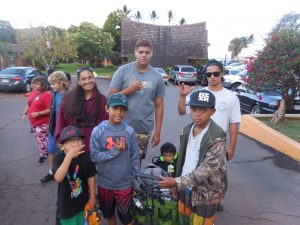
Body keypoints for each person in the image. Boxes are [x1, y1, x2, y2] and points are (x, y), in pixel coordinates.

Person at [158, 89, 227, 225]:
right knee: (183, 219)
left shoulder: (217, 137)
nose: (197, 114)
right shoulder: (187, 130)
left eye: (203, 110)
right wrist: (177, 182)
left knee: (200, 222)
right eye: (194, 109)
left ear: (212, 111)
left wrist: (176, 182)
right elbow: (183, 160)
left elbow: (206, 170)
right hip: (185, 186)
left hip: (205, 193)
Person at [109, 39, 165, 160]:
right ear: (135, 53)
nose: (144, 55)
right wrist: (130, 89)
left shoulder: (157, 77)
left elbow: (159, 106)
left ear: (151, 54)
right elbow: (111, 98)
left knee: (136, 161)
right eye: (140, 52)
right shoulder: (123, 71)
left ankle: (133, 179)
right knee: (116, 159)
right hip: (121, 126)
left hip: (143, 129)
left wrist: (158, 132)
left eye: (147, 52)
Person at [90, 93, 140, 225]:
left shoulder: (129, 131)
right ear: (107, 108)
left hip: (124, 183)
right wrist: (115, 151)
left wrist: (135, 179)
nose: (119, 112)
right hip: (105, 183)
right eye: (115, 108)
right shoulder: (98, 131)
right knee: (108, 213)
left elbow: (135, 157)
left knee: (126, 216)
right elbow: (94, 156)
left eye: (123, 109)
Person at [178, 59, 241, 161]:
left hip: (218, 143)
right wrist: (182, 96)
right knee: (194, 172)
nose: (212, 77)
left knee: (215, 174)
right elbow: (182, 112)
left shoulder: (231, 97)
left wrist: (232, 148)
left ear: (222, 74)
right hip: (197, 141)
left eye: (215, 74)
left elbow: (233, 123)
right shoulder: (199, 94)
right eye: (208, 74)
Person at [55, 67, 108, 154]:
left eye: (90, 77)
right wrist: (64, 144)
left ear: (94, 79)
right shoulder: (68, 99)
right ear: (79, 82)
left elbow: (106, 125)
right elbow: (61, 123)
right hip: (73, 148)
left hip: (95, 149)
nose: (87, 81)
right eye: (83, 79)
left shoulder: (102, 100)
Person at [52, 125, 97, 225]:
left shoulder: (85, 158)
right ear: (62, 146)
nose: (75, 143)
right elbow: (58, 178)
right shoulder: (59, 158)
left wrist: (92, 196)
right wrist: (69, 156)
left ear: (83, 143)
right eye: (70, 141)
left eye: (78, 139)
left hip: (83, 203)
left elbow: (91, 176)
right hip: (66, 208)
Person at [40, 71, 69, 183]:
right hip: (54, 128)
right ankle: (52, 171)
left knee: (65, 151)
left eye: (53, 83)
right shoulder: (54, 94)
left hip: (65, 130)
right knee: (51, 149)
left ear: (61, 83)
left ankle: (66, 172)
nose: (51, 86)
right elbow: (53, 112)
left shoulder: (69, 95)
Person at [21, 76, 51, 165]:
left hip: (43, 122)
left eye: (38, 83)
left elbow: (50, 109)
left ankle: (43, 156)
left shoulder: (47, 95)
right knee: (42, 139)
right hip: (34, 122)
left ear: (43, 85)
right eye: (33, 83)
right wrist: (24, 113)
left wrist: (39, 113)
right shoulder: (33, 92)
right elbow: (29, 104)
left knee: (41, 139)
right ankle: (49, 149)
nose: (34, 85)